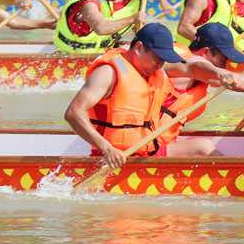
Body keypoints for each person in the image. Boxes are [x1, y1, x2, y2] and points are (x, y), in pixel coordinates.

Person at [64, 23, 185, 168]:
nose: (160, 65)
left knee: (203, 147)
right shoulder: (108, 72)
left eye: (163, 61)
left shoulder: (153, 74)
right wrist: (107, 149)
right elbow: (74, 113)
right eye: (157, 58)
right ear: (139, 48)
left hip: (146, 155)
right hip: (113, 161)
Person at [158, 23, 244, 155]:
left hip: (158, 140)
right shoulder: (194, 63)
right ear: (205, 52)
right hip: (152, 148)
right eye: (223, 59)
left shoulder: (182, 59)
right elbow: (242, 83)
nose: (225, 66)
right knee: (205, 147)